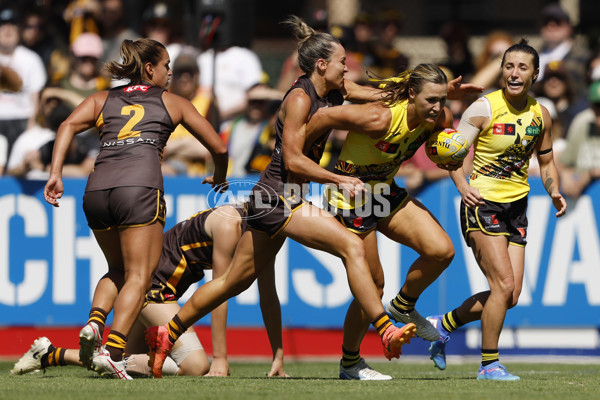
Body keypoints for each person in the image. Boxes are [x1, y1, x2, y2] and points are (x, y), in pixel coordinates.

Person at [145, 15, 418, 379]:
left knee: (232, 283)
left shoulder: (333, 90)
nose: (347, 67)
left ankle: (166, 333)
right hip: (278, 198)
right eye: (341, 62)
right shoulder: (301, 98)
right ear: (322, 65)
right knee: (351, 246)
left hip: (274, 200)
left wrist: (426, 91)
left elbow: (381, 94)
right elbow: (292, 159)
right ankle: (385, 330)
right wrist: (336, 178)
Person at [43, 38, 228, 380]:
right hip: (140, 188)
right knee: (139, 277)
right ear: (149, 69)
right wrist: (219, 176)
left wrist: (55, 174)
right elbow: (218, 145)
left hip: (96, 189)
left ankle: (95, 323)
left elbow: (66, 125)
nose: (170, 72)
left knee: (116, 268)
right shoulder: (173, 102)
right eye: (167, 65)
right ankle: (113, 351)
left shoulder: (103, 98)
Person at [305, 64, 483, 380]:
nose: (438, 107)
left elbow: (449, 153)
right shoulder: (379, 117)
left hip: (385, 191)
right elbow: (322, 118)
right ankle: (350, 364)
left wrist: (462, 184)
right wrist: (293, 157)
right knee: (373, 285)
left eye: (442, 99)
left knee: (441, 251)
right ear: (412, 94)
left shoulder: (438, 117)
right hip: (351, 197)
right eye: (431, 99)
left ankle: (403, 305)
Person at [10, 205, 288, 378]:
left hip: (157, 293)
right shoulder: (231, 224)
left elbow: (269, 297)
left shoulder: (265, 234)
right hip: (151, 291)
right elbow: (219, 293)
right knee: (196, 365)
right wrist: (220, 359)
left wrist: (278, 357)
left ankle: (49, 354)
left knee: (113, 360)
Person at [427, 39, 567, 381]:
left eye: (522, 67)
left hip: (517, 207)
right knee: (502, 284)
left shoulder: (540, 115)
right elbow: (451, 153)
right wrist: (462, 186)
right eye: (508, 66)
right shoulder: (483, 108)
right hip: (482, 204)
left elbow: (546, 161)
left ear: (535, 73)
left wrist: (554, 191)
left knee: (511, 295)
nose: (513, 73)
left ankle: (441, 326)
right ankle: (489, 364)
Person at [0, 7, 47, 161]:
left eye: (12, 25)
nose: (7, 29)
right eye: (3, 25)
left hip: (22, 121)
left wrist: (31, 128)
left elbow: (36, 96)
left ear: (19, 30)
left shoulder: (31, 59)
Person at [537, 3, 590, 100]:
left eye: (557, 22)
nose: (551, 26)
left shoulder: (584, 57)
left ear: (569, 28)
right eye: (546, 22)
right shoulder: (533, 56)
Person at [557, 80, 600, 199]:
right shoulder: (582, 122)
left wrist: (591, 173)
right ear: (591, 106)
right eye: (597, 106)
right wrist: (565, 175)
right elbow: (562, 162)